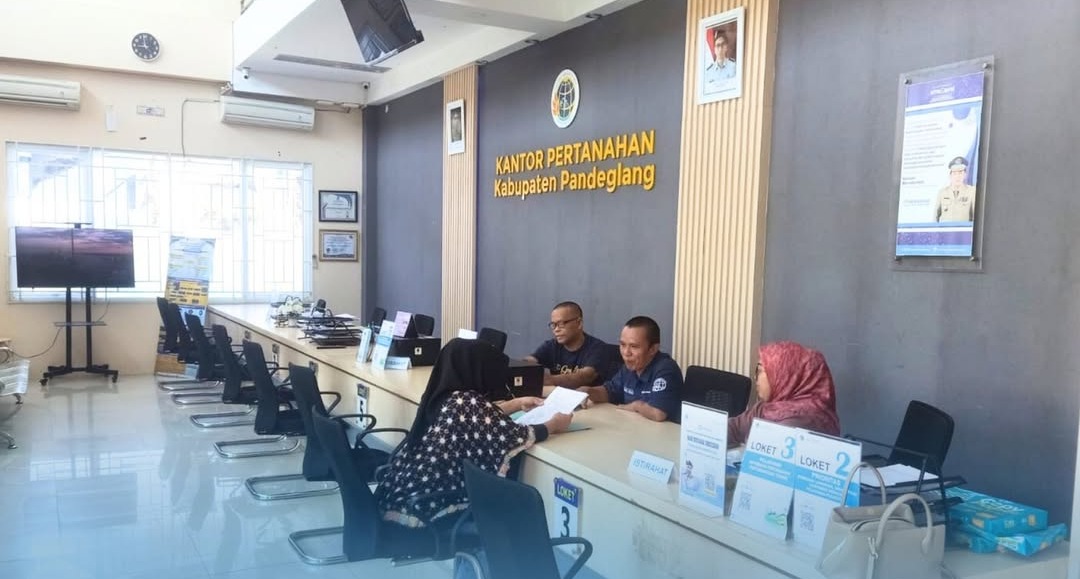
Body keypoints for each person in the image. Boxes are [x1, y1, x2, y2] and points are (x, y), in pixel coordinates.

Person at [377, 338, 573, 528]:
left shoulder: (443, 395)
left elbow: (475, 417)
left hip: (401, 496)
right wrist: (554, 424)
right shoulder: (466, 401)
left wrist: (516, 403)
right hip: (425, 511)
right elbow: (514, 434)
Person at [727, 341, 840, 448]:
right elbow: (734, 427)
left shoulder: (805, 419)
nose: (756, 377)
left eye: (760, 371)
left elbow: (763, 451)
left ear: (783, 375)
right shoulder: (767, 407)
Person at [579, 316, 683, 422]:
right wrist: (588, 391)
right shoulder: (630, 366)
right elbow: (610, 391)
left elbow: (658, 414)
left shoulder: (666, 369)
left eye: (634, 346)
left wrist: (636, 406)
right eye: (623, 345)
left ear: (653, 349)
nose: (626, 353)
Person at [525, 301, 612, 392]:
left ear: (579, 323)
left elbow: (585, 376)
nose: (556, 329)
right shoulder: (551, 345)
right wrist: (522, 366)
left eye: (561, 324)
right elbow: (531, 360)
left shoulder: (598, 348)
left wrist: (548, 380)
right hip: (558, 396)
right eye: (553, 325)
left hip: (587, 399)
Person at [934, 156, 977, 222]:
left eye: (960, 173)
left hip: (964, 228)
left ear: (965, 175)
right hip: (945, 228)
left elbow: (975, 217)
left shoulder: (972, 191)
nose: (957, 176)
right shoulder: (942, 192)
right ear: (950, 175)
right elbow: (935, 217)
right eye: (954, 173)